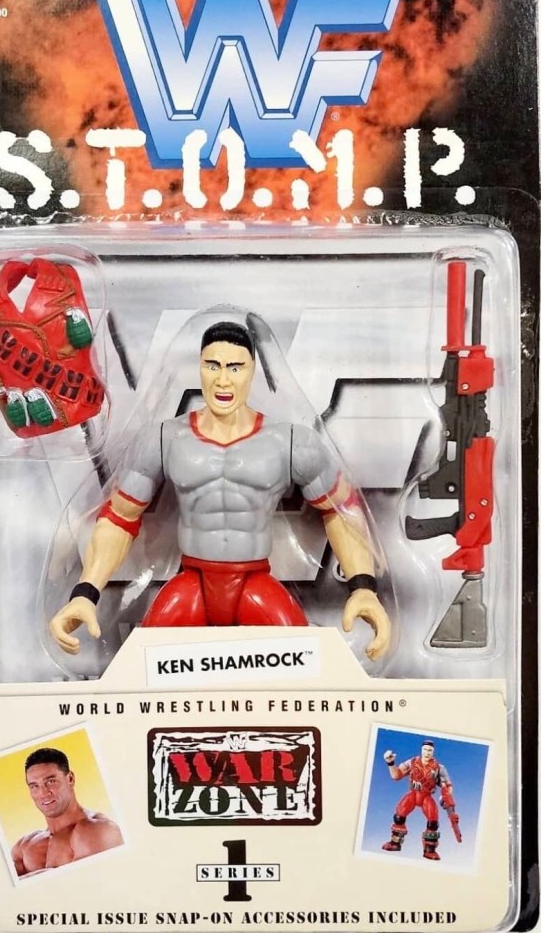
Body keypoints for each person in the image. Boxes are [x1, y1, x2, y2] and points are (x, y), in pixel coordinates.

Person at [50, 321, 390, 659]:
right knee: (145, 667)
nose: (223, 380)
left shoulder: (289, 442)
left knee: (301, 668)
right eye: (212, 366)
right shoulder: (164, 439)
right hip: (192, 584)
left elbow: (341, 510)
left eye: (235, 367)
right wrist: (85, 592)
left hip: (254, 585)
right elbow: (119, 518)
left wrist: (364, 587)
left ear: (252, 370)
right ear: (199, 367)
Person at [11, 747, 123, 875]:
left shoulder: (98, 830)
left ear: (70, 779)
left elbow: (86, 882)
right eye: (34, 786)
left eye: (50, 781)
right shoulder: (24, 846)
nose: (43, 793)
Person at [381, 739, 459, 860]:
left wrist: (446, 796)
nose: (427, 752)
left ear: (433, 752)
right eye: (425, 750)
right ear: (421, 750)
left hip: (426, 797)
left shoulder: (439, 768)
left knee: (433, 822)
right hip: (413, 794)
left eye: (430, 750)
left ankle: (429, 850)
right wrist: (390, 763)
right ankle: (395, 842)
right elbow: (396, 775)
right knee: (399, 816)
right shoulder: (412, 762)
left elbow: (448, 785)